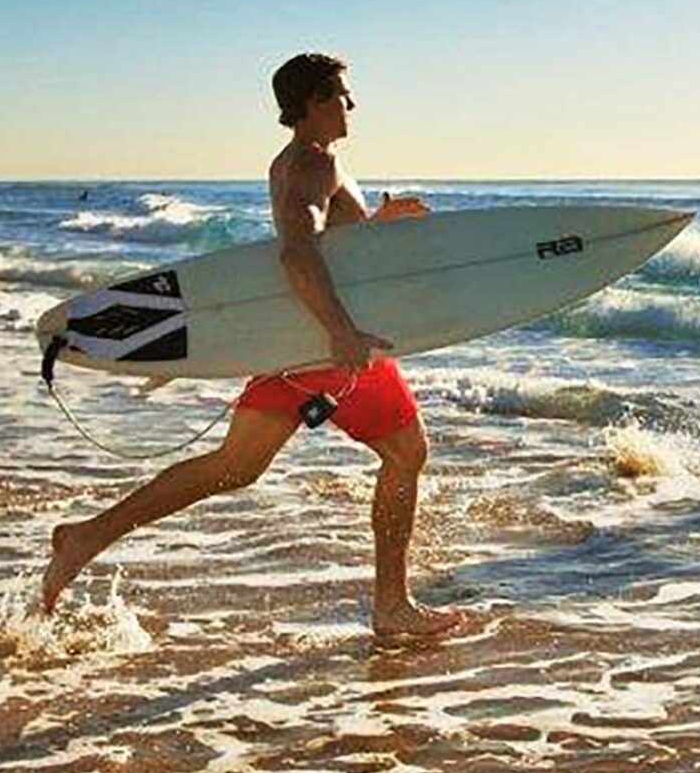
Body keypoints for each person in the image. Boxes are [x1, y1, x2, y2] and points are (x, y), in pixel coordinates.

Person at [41, 52, 466, 639]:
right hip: (329, 345)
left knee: (233, 467)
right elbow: (297, 252)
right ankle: (391, 607)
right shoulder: (315, 165)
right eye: (343, 94)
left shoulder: (291, 163)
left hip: (291, 343)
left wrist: (374, 226)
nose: (352, 104)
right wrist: (342, 331)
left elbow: (325, 245)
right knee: (406, 454)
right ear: (315, 103)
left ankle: (87, 535)